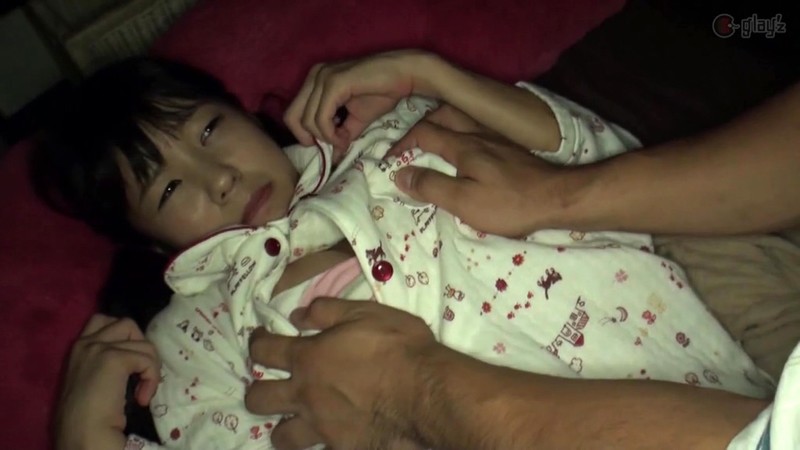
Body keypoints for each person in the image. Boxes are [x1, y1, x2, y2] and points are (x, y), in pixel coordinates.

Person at [52, 50, 798, 450]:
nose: (218, 177)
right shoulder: (194, 335)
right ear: (149, 243)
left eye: (210, 129)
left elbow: (602, 157)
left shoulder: (392, 131)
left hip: (703, 381)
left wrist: (440, 78)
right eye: (169, 189)